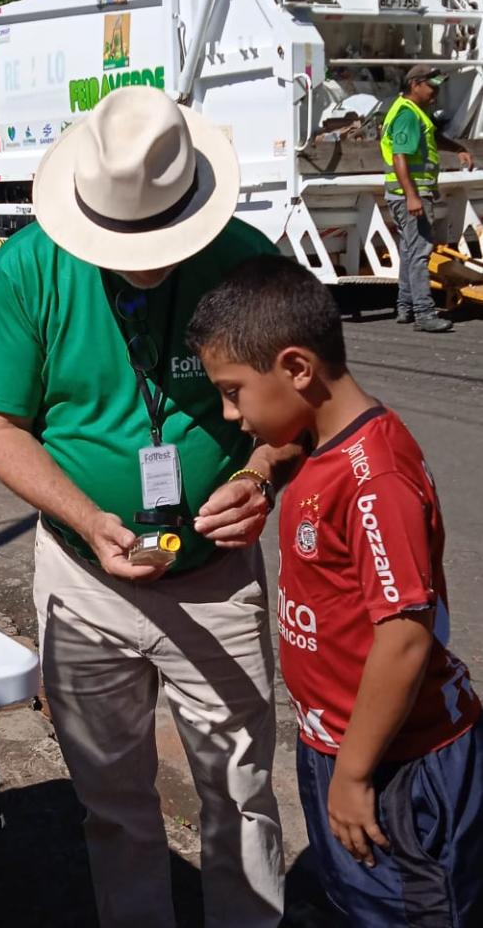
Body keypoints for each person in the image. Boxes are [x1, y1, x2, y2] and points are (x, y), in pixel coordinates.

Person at [0, 87, 302, 927]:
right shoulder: (28, 268)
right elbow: (1, 426)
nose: (146, 259)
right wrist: (87, 518)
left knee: (243, 799)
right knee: (114, 809)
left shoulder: (244, 260)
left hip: (216, 579)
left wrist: (260, 476)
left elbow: (302, 409)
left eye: (162, 239)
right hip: (84, 582)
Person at [188, 253, 483, 927]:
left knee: (408, 912)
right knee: (358, 906)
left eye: (234, 391)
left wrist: (353, 777)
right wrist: (261, 473)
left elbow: (405, 638)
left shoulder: (374, 477)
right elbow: (294, 451)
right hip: (340, 747)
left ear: (296, 368)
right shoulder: (319, 444)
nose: (231, 415)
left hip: (396, 769)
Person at [381, 64, 474, 332]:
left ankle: (406, 307)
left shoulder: (414, 112)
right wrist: (412, 196)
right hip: (410, 193)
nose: (436, 92)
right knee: (420, 251)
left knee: (410, 250)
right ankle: (424, 313)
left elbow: (431, 137)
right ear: (415, 84)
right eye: (432, 86)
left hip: (406, 193)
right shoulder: (408, 115)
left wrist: (457, 148)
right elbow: (400, 155)